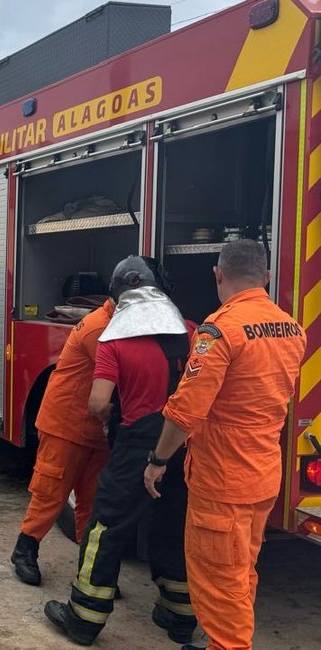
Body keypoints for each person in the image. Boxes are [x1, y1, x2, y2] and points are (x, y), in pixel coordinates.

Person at [144, 240, 305, 650]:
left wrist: (158, 460)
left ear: (217, 274)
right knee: (241, 572)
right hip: (262, 476)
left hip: (222, 481)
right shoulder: (292, 329)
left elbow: (184, 412)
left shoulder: (219, 331)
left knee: (219, 583)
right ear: (266, 276)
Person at [45, 256, 195, 646]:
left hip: (136, 448)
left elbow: (98, 402)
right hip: (183, 445)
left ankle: (83, 617)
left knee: (106, 528)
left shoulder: (114, 340)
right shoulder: (192, 332)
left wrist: (109, 420)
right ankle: (179, 615)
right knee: (173, 525)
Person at [11, 296, 113, 586]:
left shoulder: (117, 323)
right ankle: (25, 550)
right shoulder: (100, 328)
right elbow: (119, 377)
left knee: (93, 500)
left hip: (96, 429)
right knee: (51, 492)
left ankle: (89, 566)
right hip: (66, 424)